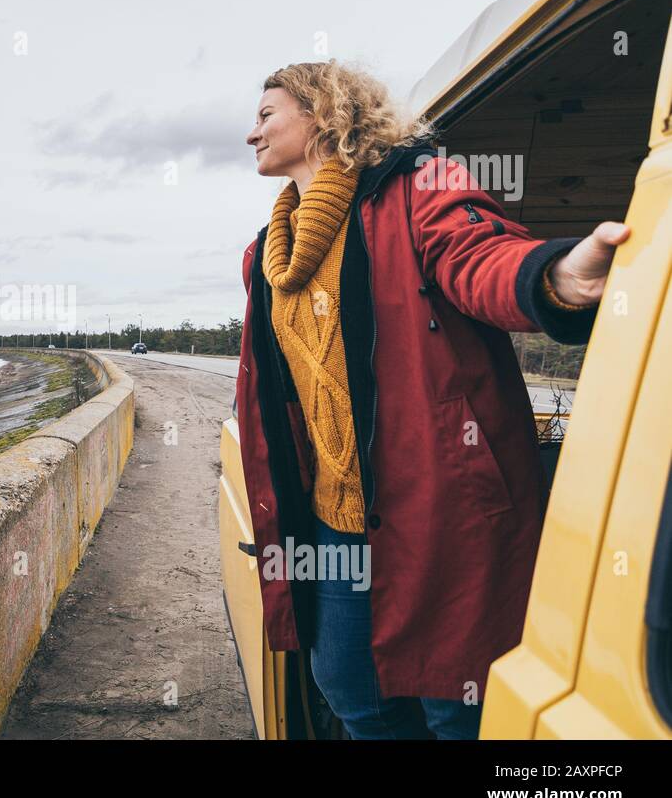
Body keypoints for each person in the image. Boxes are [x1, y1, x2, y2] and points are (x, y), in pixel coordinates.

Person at [234, 60, 628, 739]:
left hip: (439, 511)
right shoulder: (265, 256)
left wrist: (556, 277)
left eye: (267, 115)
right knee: (351, 692)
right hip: (332, 527)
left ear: (323, 112)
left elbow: (482, 257)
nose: (252, 134)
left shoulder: (420, 189)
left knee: (458, 702)